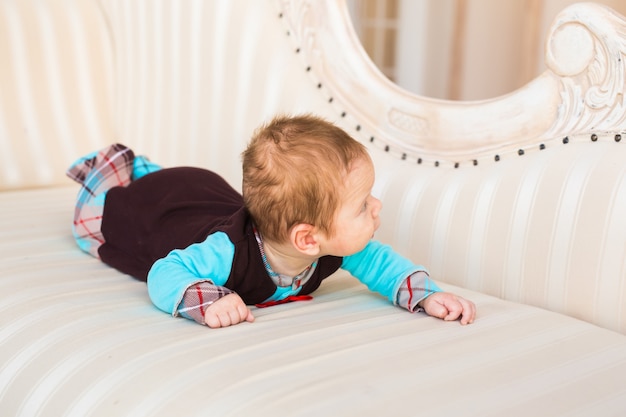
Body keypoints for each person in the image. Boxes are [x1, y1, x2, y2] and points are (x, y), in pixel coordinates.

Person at [67, 114, 476, 328]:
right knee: (123, 217)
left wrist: (425, 295)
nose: (378, 206)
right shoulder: (227, 252)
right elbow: (164, 272)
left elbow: (384, 267)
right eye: (361, 205)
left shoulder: (332, 250)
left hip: (208, 191)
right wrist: (207, 301)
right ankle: (137, 176)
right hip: (168, 206)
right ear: (307, 239)